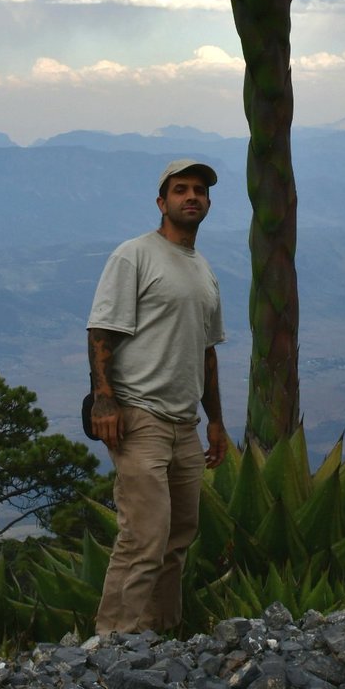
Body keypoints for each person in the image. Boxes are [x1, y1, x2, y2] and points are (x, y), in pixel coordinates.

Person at [87, 158, 227, 635]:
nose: (192, 197)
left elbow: (206, 352)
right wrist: (104, 400)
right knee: (144, 537)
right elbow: (102, 330)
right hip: (139, 416)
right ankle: (112, 643)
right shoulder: (135, 255)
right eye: (181, 189)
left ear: (209, 203)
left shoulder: (202, 269)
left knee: (178, 537)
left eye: (200, 191)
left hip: (185, 423)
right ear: (161, 202)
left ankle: (160, 635)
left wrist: (216, 421)